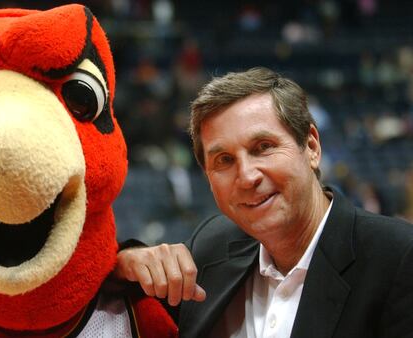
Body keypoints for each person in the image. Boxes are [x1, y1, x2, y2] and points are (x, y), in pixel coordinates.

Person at [115, 67, 413, 337]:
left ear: (311, 146)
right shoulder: (212, 246)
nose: (246, 177)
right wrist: (127, 262)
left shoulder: (399, 257)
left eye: (263, 147)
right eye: (225, 160)